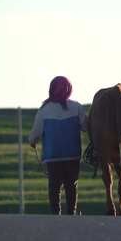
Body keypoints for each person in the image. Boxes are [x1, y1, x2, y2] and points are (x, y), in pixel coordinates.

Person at [29, 76, 87, 215]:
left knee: (54, 186)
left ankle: (56, 214)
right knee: (71, 185)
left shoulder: (44, 109)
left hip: (52, 156)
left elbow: (35, 134)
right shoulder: (76, 107)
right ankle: (71, 213)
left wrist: (32, 141)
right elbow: (86, 126)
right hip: (72, 155)